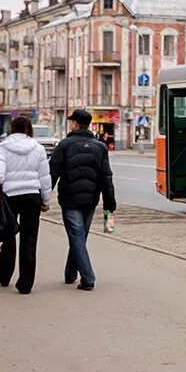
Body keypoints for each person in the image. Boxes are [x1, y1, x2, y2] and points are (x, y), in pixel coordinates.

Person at [49, 109, 117, 291]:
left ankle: (88, 278)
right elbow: (106, 177)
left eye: (71, 121)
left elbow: (52, 173)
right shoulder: (100, 147)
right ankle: (70, 273)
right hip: (91, 200)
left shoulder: (64, 145)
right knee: (79, 236)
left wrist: (44, 197)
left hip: (70, 199)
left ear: (75, 124)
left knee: (76, 236)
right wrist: (109, 203)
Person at [0, 116, 52, 295]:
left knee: (8, 236)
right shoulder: (38, 148)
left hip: (10, 196)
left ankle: (3, 275)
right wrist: (45, 199)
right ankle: (25, 284)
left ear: (12, 128)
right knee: (29, 240)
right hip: (32, 196)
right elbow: (44, 177)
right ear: (29, 129)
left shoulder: (3, 147)